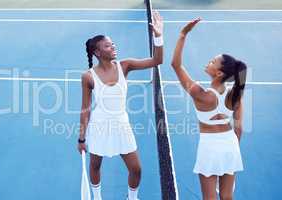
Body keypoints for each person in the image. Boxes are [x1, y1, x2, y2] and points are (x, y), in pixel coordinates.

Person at [77, 11, 164, 200]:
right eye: (108, 45)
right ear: (98, 52)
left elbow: (157, 61)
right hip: (99, 126)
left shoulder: (125, 65)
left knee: (136, 169)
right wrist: (82, 139)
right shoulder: (88, 77)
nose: (113, 46)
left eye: (113, 43)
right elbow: (85, 109)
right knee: (95, 165)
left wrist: (158, 36)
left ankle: (132, 198)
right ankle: (97, 197)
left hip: (122, 125)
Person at [171, 18, 246, 200]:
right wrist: (231, 149)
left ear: (219, 73)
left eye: (213, 61)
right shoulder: (236, 95)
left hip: (209, 147)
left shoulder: (200, 94)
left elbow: (176, 65)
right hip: (230, 145)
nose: (209, 62)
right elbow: (239, 128)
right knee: (227, 197)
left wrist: (183, 34)